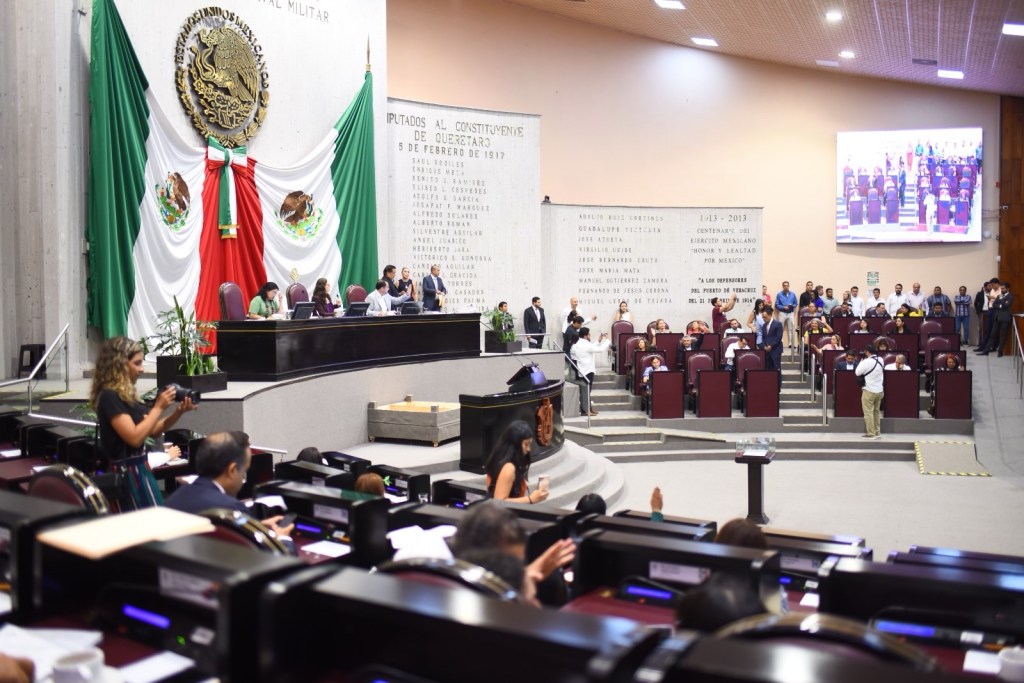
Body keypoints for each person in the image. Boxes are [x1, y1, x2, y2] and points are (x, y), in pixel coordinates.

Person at [90, 337, 197, 509]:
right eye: (137, 363)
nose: (142, 369)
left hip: (140, 470)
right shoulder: (110, 396)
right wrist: (158, 407)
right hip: (126, 474)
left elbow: (153, 430)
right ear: (120, 364)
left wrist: (178, 412)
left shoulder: (127, 396)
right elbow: (134, 438)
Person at [165, 432, 295, 538]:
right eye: (243, 471)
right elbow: (263, 554)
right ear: (232, 470)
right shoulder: (231, 509)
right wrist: (282, 538)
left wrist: (256, 527)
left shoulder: (176, 496)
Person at [484, 420, 548, 504]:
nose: (529, 449)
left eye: (529, 444)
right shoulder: (509, 468)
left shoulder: (497, 459)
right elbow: (499, 501)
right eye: (526, 444)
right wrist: (530, 499)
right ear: (515, 444)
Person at [572, 327, 611, 416]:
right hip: (587, 371)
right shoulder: (585, 344)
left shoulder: (581, 343)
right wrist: (608, 341)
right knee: (586, 392)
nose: (590, 336)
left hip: (585, 370)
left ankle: (588, 408)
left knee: (587, 391)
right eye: (589, 334)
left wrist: (599, 340)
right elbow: (600, 349)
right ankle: (586, 410)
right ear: (585, 336)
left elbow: (592, 347)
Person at [855, 344, 884, 439]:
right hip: (879, 391)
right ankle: (877, 432)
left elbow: (857, 372)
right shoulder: (881, 360)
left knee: (868, 413)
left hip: (869, 390)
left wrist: (861, 362)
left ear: (867, 352)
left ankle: (871, 433)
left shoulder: (866, 362)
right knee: (876, 412)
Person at [978, 281, 1013, 356]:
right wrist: (1000, 305)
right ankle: (986, 351)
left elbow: (1006, 306)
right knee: (992, 335)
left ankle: (1000, 351)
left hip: (1005, 318)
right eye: (1001, 288)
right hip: (997, 317)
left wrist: (1000, 304)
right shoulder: (999, 296)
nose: (1002, 290)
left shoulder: (1010, 296)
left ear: (1007, 289)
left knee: (1003, 336)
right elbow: (994, 305)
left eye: (1003, 288)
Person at [760, 307, 783, 385]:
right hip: (767, 350)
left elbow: (778, 337)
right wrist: (764, 346)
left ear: (770, 315)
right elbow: (763, 337)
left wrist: (771, 346)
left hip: (775, 350)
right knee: (768, 368)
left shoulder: (778, 324)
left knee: (776, 368)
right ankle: (770, 385)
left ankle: (778, 386)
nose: (763, 319)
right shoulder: (764, 325)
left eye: (765, 317)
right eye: (763, 317)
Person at [774, 282, 797, 349]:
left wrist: (792, 306)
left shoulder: (793, 294)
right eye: (784, 286)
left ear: (789, 286)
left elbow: (796, 303)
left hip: (791, 313)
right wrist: (783, 307)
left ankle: (791, 344)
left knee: (791, 328)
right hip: (782, 313)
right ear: (783, 286)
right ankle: (780, 343)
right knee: (780, 328)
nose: (786, 287)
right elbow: (777, 304)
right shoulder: (779, 294)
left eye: (787, 285)